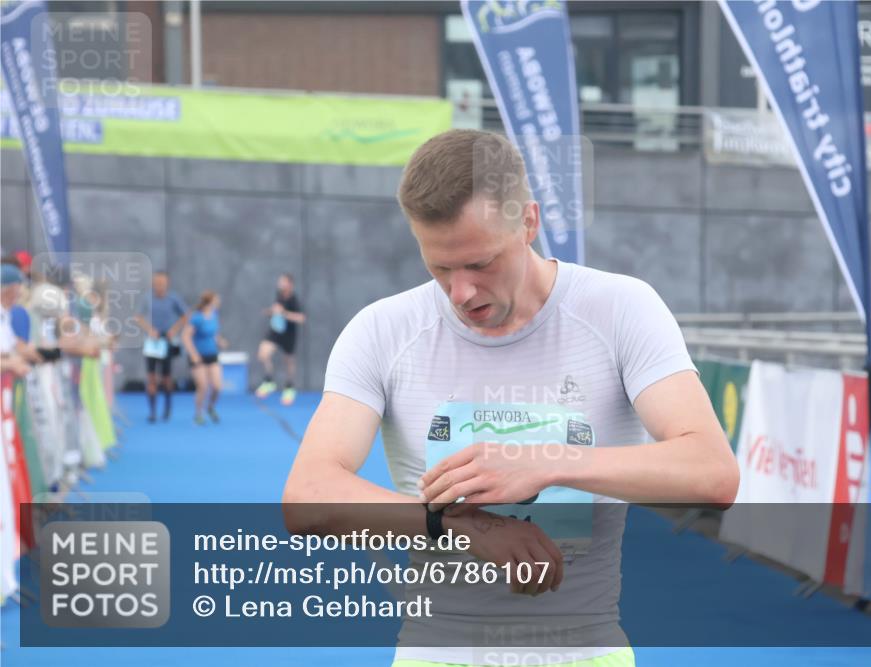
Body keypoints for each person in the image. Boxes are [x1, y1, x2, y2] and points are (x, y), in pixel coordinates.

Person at [283, 130, 739, 667]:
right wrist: (458, 527)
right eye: (440, 267)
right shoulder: (382, 330)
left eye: (480, 263)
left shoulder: (621, 309)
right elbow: (308, 496)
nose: (461, 293)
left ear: (529, 222)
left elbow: (713, 474)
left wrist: (545, 462)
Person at [134, 271, 189, 423]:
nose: (160, 286)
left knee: (166, 378)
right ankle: (152, 411)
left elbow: (185, 315)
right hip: (152, 342)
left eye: (162, 283)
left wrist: (174, 330)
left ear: (167, 283)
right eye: (157, 283)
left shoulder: (173, 298)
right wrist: (149, 330)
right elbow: (138, 317)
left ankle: (167, 407)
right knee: (151, 377)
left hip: (167, 341)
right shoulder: (147, 298)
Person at [254, 273, 305, 406]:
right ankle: (269, 381)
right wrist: (271, 312)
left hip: (289, 334)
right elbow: (276, 311)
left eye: (283, 282)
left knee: (289, 361)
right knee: (263, 354)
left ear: (290, 284)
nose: (280, 284)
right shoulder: (279, 295)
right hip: (275, 331)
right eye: (280, 281)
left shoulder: (294, 300)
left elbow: (301, 318)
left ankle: (289, 387)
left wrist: (284, 313)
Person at [182, 290, 226, 425]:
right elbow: (186, 337)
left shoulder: (214, 315)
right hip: (198, 357)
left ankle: (210, 407)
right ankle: (198, 414)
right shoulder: (197, 318)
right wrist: (193, 354)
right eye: (216, 299)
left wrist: (220, 341)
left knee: (217, 386)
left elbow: (214, 333)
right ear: (210, 301)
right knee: (203, 386)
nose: (219, 302)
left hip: (212, 355)